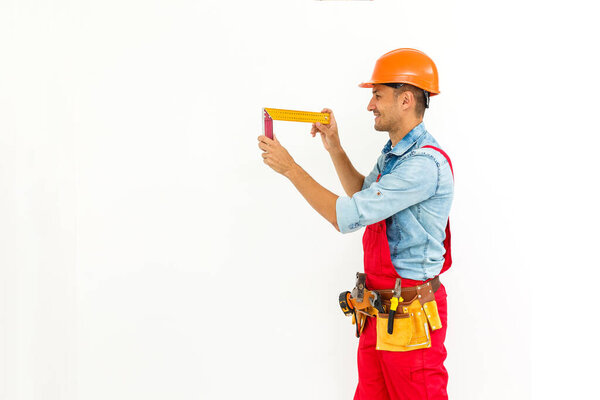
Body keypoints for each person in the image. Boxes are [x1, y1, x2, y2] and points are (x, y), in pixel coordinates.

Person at [257, 48, 454, 400]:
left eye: (377, 95)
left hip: (411, 321)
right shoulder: (395, 153)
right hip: (380, 313)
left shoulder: (423, 164)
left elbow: (347, 216)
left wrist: (290, 168)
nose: (370, 105)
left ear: (405, 99)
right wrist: (334, 147)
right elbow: (364, 196)